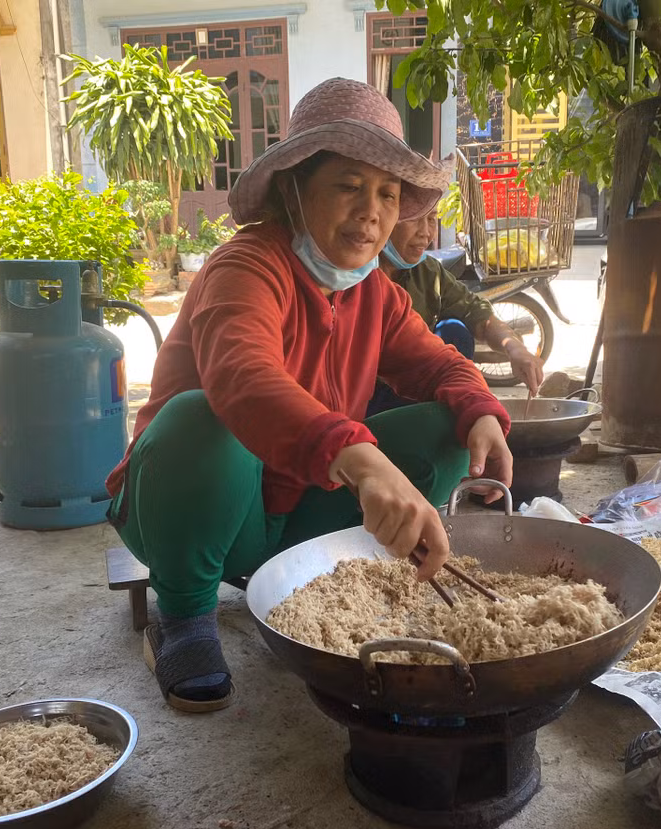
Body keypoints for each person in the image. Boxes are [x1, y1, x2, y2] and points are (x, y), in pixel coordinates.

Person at [105, 78, 514, 713]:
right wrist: (363, 456)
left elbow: (440, 365)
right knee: (204, 420)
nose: (372, 212)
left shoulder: (376, 293)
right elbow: (245, 378)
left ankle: (349, 573)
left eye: (387, 194)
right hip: (193, 508)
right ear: (296, 190)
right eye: (349, 186)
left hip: (297, 514)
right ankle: (184, 614)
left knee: (446, 429)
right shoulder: (246, 266)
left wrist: (480, 408)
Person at [366, 203, 545, 417]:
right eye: (414, 218)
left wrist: (515, 348)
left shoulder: (427, 272)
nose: (426, 233)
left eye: (432, 219)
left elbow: (475, 311)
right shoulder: (358, 279)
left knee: (454, 330)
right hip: (365, 396)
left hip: (412, 387)